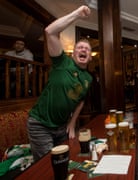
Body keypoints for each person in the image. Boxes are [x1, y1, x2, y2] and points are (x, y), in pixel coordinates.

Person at [27, 5, 93, 161]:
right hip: (40, 125)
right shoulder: (62, 62)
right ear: (73, 53)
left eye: (87, 49)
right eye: (79, 47)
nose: (83, 48)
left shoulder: (88, 78)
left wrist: (72, 122)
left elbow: (80, 100)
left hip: (61, 128)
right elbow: (50, 31)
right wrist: (77, 13)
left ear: (90, 57)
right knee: (48, 166)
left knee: (65, 162)